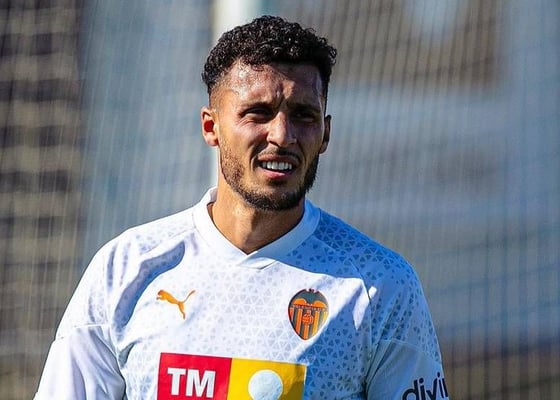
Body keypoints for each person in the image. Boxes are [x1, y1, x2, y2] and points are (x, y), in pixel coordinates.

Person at [35, 15, 449, 400]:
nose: (282, 135)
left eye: (304, 115)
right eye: (258, 113)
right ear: (211, 127)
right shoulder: (125, 270)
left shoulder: (379, 284)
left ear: (325, 133)